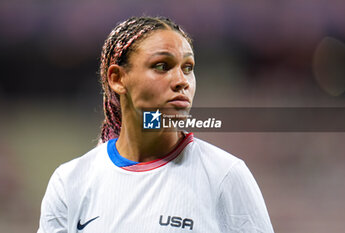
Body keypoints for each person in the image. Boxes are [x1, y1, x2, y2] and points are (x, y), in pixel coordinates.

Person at [37, 16, 274, 233]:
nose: (182, 81)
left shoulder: (225, 176)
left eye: (188, 68)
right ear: (117, 79)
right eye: (162, 66)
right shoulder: (70, 182)